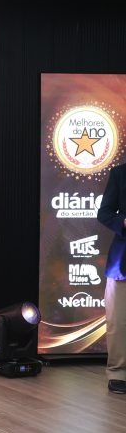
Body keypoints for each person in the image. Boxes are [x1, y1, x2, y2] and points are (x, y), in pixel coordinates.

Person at [97, 163, 126, 394]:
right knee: (119, 321)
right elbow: (104, 212)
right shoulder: (120, 173)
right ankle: (119, 373)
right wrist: (123, 222)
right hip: (123, 261)